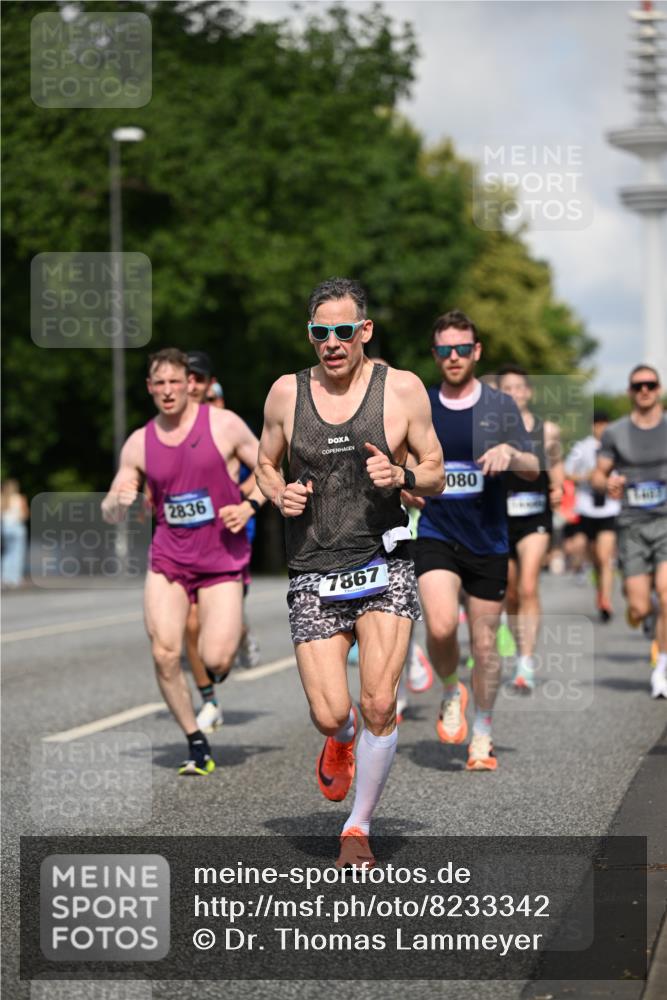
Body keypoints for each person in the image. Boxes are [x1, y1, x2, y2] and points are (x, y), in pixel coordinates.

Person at [256, 277, 444, 867]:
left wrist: (404, 477)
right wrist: (277, 492)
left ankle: (357, 826)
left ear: (365, 331)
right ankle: (339, 741)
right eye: (321, 332)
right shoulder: (286, 393)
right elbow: (264, 462)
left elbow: (436, 471)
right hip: (313, 567)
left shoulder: (403, 389)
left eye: (343, 331)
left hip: (384, 563)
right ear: (310, 334)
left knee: (379, 704)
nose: (331, 343)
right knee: (331, 713)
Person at [101, 348, 266, 774]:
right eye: (160, 383)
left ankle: (232, 643)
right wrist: (117, 502)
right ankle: (195, 740)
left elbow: (271, 470)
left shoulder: (224, 425)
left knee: (216, 659)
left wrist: (248, 505)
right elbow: (116, 496)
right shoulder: (140, 441)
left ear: (190, 384)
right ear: (150, 388)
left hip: (221, 558)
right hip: (169, 559)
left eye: (175, 382)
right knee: (164, 652)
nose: (168, 390)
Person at [412, 310, 539, 771]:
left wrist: (510, 451)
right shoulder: (422, 404)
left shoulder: (500, 406)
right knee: (441, 626)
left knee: (484, 647)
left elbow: (533, 468)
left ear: (476, 351)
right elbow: (403, 462)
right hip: (436, 532)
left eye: (462, 348)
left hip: (488, 539)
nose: (454, 357)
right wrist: (406, 485)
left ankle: (482, 732)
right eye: (445, 349)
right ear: (435, 354)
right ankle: (451, 690)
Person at [184, 355, 261, 733]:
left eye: (212, 394)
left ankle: (239, 632)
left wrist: (241, 499)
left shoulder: (231, 428)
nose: (200, 394)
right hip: (188, 542)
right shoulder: (173, 429)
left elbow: (265, 469)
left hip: (232, 534)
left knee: (222, 620)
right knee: (191, 621)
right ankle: (209, 701)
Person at [592, 365, 667, 698]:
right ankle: (647, 616)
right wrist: (607, 483)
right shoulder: (615, 432)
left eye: (650, 384)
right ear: (630, 392)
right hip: (632, 525)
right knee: (639, 607)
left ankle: (661, 668)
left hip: (665, 521)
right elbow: (598, 474)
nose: (645, 390)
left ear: (659, 389)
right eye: (638, 386)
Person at [496, 364, 564, 690]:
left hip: (535, 516)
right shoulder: (489, 431)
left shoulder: (547, 430)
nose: (513, 394)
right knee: (510, 592)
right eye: (506, 389)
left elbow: (556, 461)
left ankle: (526, 661)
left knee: (527, 586)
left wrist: (558, 486)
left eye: (518, 388)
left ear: (529, 392)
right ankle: (518, 646)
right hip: (500, 518)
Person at [564, 411, 620, 622]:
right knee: (594, 556)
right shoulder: (582, 447)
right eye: (598, 424)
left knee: (605, 557)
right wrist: (587, 477)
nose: (602, 429)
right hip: (587, 508)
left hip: (609, 509)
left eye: (605, 424)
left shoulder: (617, 446)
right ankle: (599, 589)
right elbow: (567, 473)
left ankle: (606, 601)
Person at [1, 479, 28, 587]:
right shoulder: (20, 498)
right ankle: (15, 578)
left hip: (5, 528)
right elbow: (25, 515)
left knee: (6, 553)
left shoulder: (2, 499)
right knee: (17, 553)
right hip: (17, 527)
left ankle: (5, 577)